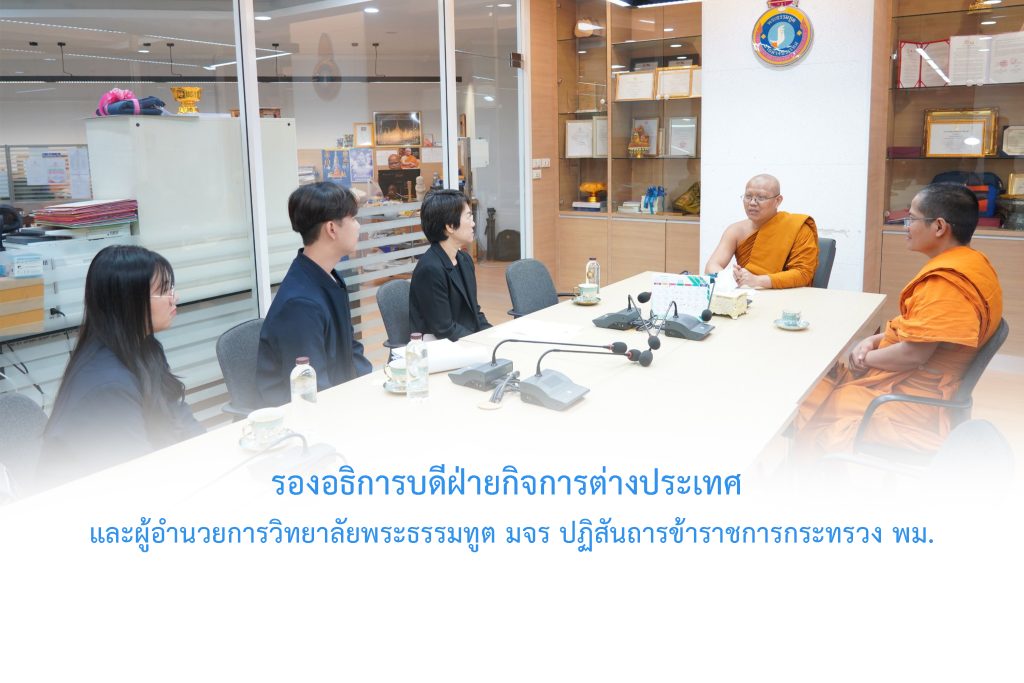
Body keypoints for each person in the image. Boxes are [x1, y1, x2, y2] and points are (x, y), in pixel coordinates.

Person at [797, 183, 1003, 453]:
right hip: (905, 377)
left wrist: (864, 358)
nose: (906, 226)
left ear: (939, 227)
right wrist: (873, 341)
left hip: (908, 397)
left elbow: (913, 355)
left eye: (912, 218)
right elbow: (924, 331)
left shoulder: (945, 284)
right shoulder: (974, 263)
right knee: (816, 383)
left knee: (806, 406)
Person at [40, 245, 204, 488]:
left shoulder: (145, 347)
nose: (174, 298)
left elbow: (177, 413)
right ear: (128, 301)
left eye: (171, 288)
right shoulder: (108, 385)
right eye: (163, 291)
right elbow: (137, 477)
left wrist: (207, 451)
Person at [257, 182, 372, 407]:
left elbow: (350, 349)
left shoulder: (329, 277)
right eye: (353, 219)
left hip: (341, 400)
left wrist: (370, 387)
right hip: (306, 415)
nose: (358, 226)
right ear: (332, 229)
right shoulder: (300, 304)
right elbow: (312, 392)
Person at [704, 174, 819, 288]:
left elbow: (803, 273)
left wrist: (758, 281)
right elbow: (712, 266)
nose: (752, 203)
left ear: (778, 201)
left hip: (787, 294)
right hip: (747, 293)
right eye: (748, 196)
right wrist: (730, 277)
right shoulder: (736, 230)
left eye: (761, 198)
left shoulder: (797, 228)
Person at [409, 189, 491, 341]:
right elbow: (445, 329)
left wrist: (495, 336)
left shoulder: (464, 260)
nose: (473, 224)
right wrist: (482, 342)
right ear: (450, 226)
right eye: (468, 217)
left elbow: (475, 312)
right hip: (440, 348)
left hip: (464, 341)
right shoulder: (430, 270)